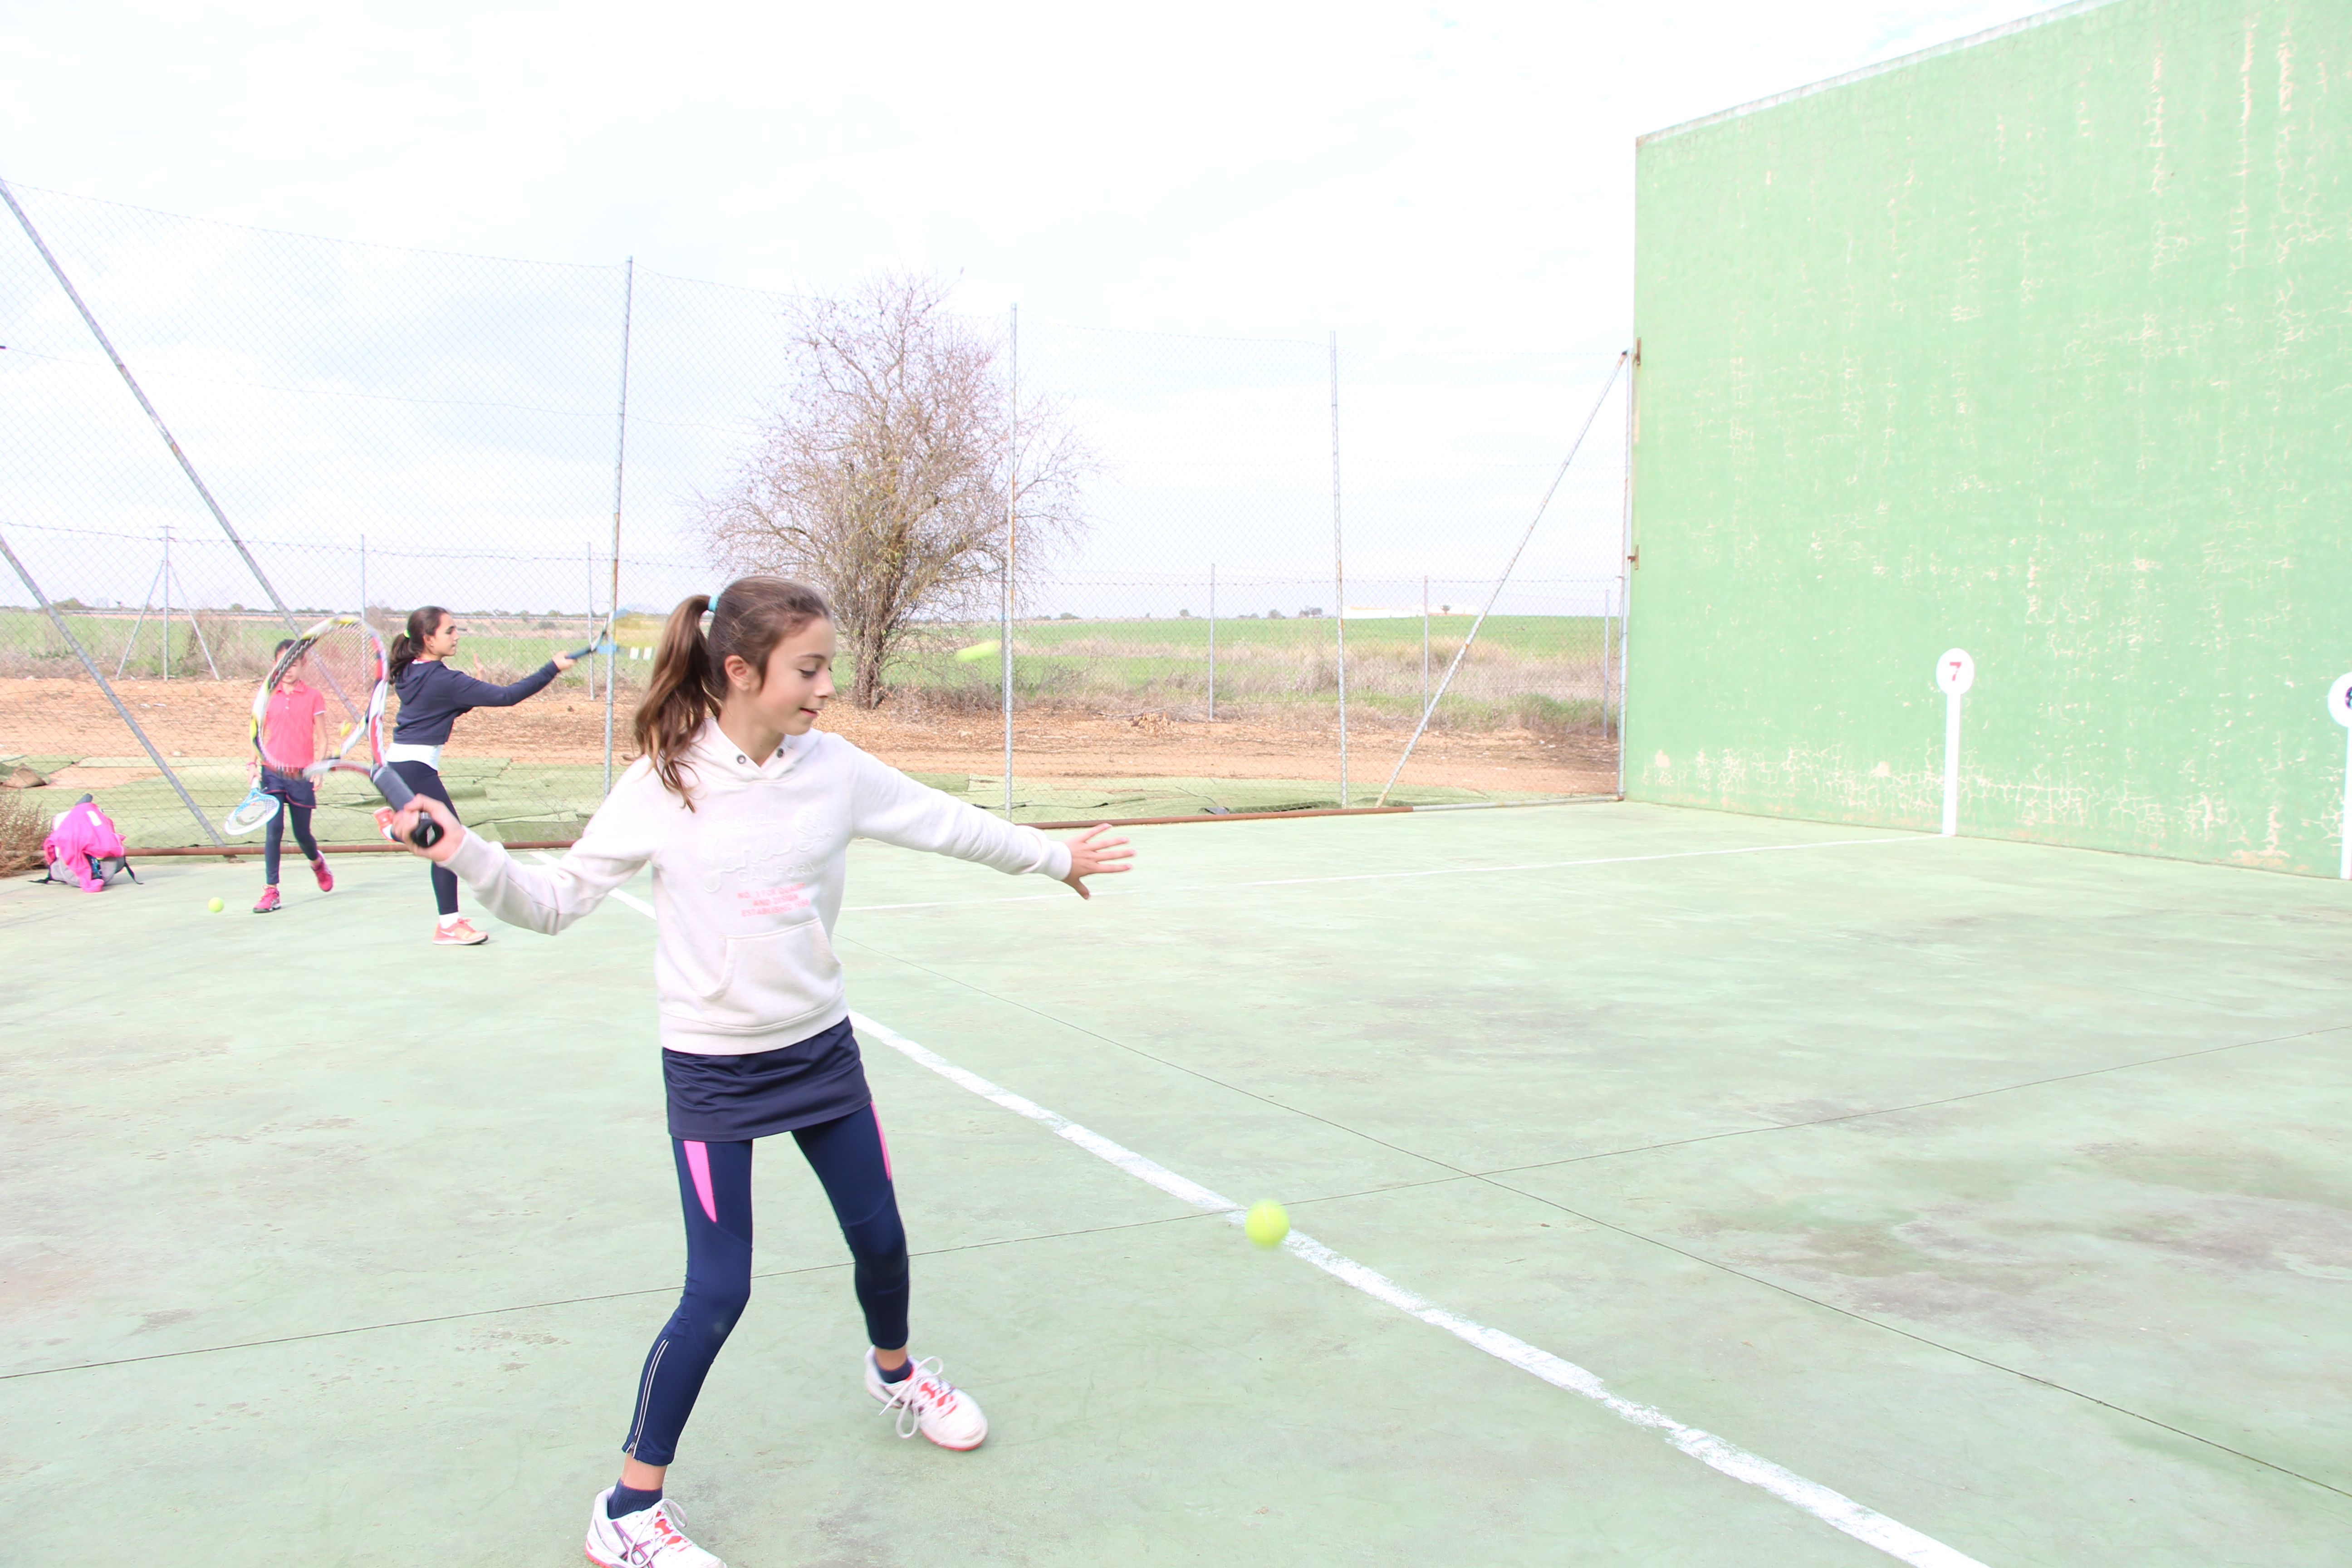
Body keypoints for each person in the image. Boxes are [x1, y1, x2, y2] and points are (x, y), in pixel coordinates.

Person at [390, 577, 1131, 1568]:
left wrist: (1052, 855)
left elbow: (945, 821)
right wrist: (465, 850)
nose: (827, 688)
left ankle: (895, 1372)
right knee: (717, 1291)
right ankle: (627, 1510)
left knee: (881, 1239)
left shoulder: (834, 769)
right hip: (714, 1071)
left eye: (827, 667)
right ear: (740, 671)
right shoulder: (663, 781)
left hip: (820, 1049)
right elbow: (554, 902)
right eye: (809, 670)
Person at [384, 604, 577, 946]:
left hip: (398, 765)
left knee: (443, 837)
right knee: (447, 839)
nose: (457, 636)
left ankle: (396, 827)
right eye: (449, 631)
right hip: (415, 767)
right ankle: (447, 925)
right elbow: (508, 697)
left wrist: (472, 687)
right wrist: (552, 668)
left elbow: (438, 704)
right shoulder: (444, 679)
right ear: (428, 639)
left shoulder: (411, 671)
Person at [252, 638, 333, 914]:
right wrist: (252, 764)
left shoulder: (313, 696)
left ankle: (317, 863)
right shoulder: (266, 695)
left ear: (303, 665)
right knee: (274, 830)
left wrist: (318, 768)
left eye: (294, 664)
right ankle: (271, 891)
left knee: (302, 834)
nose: (288, 670)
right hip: (272, 773)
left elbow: (322, 736)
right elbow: (256, 734)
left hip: (301, 775)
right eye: (283, 663)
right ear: (275, 664)